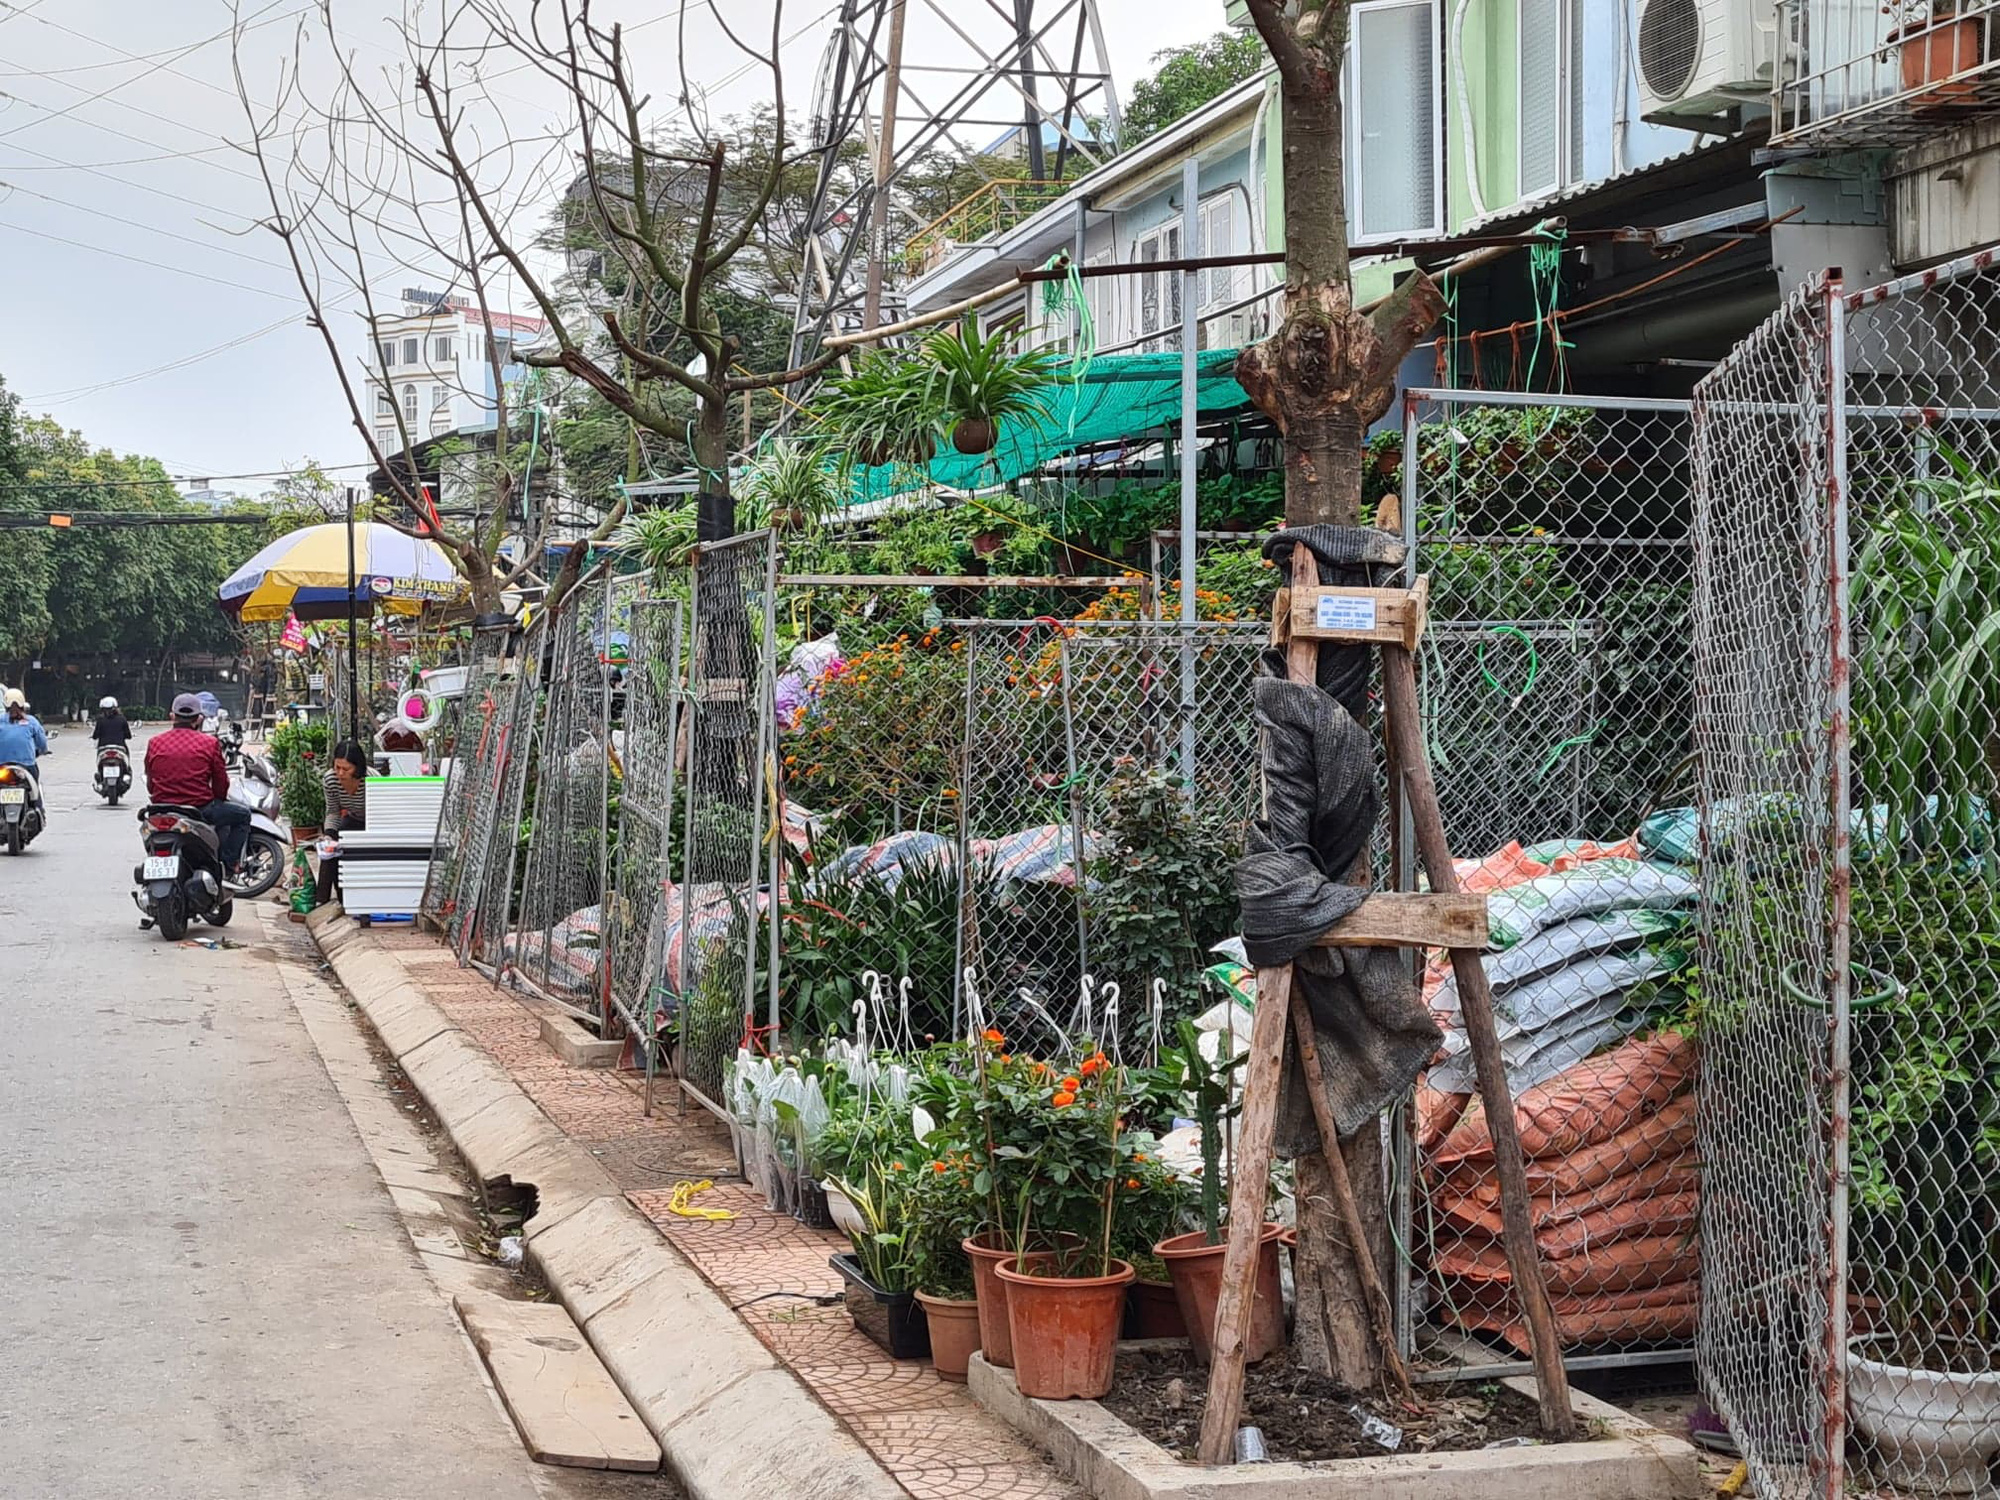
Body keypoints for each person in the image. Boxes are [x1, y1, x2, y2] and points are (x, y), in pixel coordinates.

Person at [144, 693, 250, 884]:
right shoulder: (209, 743)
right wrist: (218, 799)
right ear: (199, 719)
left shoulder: (155, 742)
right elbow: (220, 782)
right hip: (198, 809)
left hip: (161, 808)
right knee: (242, 815)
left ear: (172, 716)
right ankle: (228, 865)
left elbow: (151, 782)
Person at [314, 740, 368, 907]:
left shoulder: (370, 780)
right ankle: (324, 898)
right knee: (330, 850)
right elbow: (333, 811)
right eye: (337, 767)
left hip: (373, 822)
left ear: (357, 768)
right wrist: (329, 834)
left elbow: (381, 811)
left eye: (346, 769)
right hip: (352, 818)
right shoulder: (330, 780)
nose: (340, 773)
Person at [0, 695, 49, 778]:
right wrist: (44, 750)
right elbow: (41, 741)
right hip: (26, 765)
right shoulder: (31, 721)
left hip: (2, 765)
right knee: (34, 783)